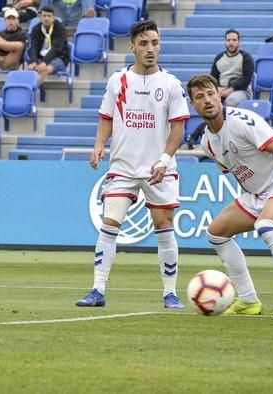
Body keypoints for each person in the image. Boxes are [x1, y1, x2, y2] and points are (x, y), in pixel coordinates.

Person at [75, 20, 190, 309]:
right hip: (123, 166)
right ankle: (97, 290)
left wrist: (164, 159)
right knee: (109, 224)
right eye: (144, 44)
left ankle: (170, 293)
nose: (150, 49)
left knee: (164, 227)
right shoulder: (118, 81)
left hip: (159, 169)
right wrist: (99, 144)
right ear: (132, 47)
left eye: (154, 43)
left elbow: (178, 128)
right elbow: (106, 117)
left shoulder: (171, 84)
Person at [187, 73, 273, 319]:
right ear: (193, 104)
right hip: (257, 194)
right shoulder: (207, 143)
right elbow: (238, 170)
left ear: (220, 95)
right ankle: (247, 300)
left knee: (266, 224)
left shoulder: (242, 120)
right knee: (216, 233)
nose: (208, 100)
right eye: (200, 97)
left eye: (211, 93)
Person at [210, 29, 254, 107]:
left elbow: (246, 80)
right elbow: (213, 78)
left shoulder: (246, 57)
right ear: (225, 42)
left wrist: (229, 90)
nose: (231, 43)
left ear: (239, 42)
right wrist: (218, 88)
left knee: (231, 102)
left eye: (234, 40)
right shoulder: (219, 58)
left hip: (241, 90)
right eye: (228, 40)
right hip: (221, 90)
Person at [28, 6, 69, 87]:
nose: (46, 18)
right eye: (44, 16)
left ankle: (31, 91)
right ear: (40, 17)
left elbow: (56, 49)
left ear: (53, 18)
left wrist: (44, 62)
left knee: (45, 69)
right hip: (41, 58)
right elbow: (33, 47)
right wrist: (33, 61)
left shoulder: (60, 28)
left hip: (59, 58)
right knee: (31, 69)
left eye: (49, 16)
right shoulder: (36, 29)